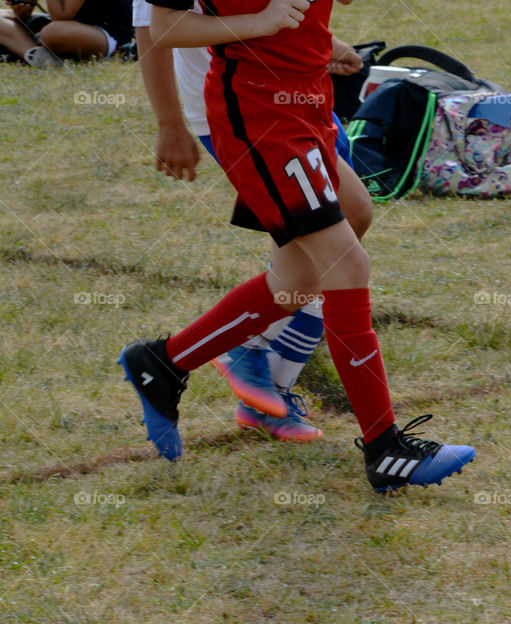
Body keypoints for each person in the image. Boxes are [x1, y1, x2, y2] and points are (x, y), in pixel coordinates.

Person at [119, 0, 475, 492]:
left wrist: (323, 43)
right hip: (259, 113)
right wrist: (255, 26)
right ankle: (385, 448)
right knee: (347, 266)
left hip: (307, 98)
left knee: (305, 269)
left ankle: (165, 362)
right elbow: (162, 26)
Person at [133, 0, 372, 441]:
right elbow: (152, 28)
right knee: (326, 252)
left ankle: (235, 358)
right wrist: (169, 123)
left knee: (341, 228)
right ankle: (246, 356)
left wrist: (325, 42)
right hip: (244, 107)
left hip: (297, 90)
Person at [0, 0, 131, 66]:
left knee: (51, 32)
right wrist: (23, 11)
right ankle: (37, 55)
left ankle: (42, 53)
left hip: (108, 35)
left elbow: (61, 16)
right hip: (72, 27)